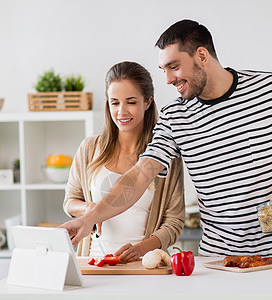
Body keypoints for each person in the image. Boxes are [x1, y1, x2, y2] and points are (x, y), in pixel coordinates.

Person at [60, 20, 272, 257]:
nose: (168, 79)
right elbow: (141, 174)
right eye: (163, 69)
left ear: (201, 55)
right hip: (217, 259)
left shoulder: (270, 89)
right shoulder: (175, 116)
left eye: (174, 67)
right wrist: (89, 218)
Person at [62, 61, 185, 262]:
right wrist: (88, 210)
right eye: (115, 102)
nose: (121, 112)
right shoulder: (89, 148)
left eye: (131, 102)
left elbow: (174, 222)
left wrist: (140, 249)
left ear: (147, 102)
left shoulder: (164, 154)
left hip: (143, 265)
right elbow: (70, 201)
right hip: (93, 264)